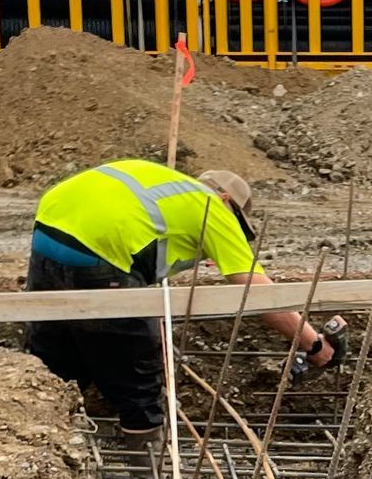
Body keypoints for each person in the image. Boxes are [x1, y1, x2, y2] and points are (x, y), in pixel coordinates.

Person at [22, 161, 340, 430]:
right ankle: (146, 464)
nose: (237, 234)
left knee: (57, 355)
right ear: (227, 200)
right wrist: (314, 345)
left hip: (49, 230)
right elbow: (257, 293)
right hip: (99, 250)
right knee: (135, 370)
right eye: (239, 227)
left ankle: (43, 431)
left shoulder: (172, 189)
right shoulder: (212, 207)